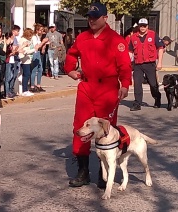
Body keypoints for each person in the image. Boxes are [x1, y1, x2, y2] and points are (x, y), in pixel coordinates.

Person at [64, 2, 132, 189]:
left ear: (105, 18)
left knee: (105, 129)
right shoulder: (83, 37)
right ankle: (83, 171)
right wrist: (70, 69)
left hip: (108, 88)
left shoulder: (116, 40)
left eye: (96, 17)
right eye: (90, 17)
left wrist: (125, 85)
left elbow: (125, 66)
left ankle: (105, 174)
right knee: (81, 127)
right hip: (86, 87)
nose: (91, 20)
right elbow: (71, 54)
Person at [128, 18, 164, 111]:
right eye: (141, 26)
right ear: (138, 26)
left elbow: (160, 48)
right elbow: (130, 51)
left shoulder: (153, 34)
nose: (143, 28)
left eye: (144, 26)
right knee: (137, 84)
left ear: (147, 26)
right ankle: (137, 103)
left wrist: (159, 62)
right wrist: (128, 63)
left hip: (150, 63)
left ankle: (157, 98)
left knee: (153, 84)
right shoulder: (133, 37)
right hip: (138, 64)